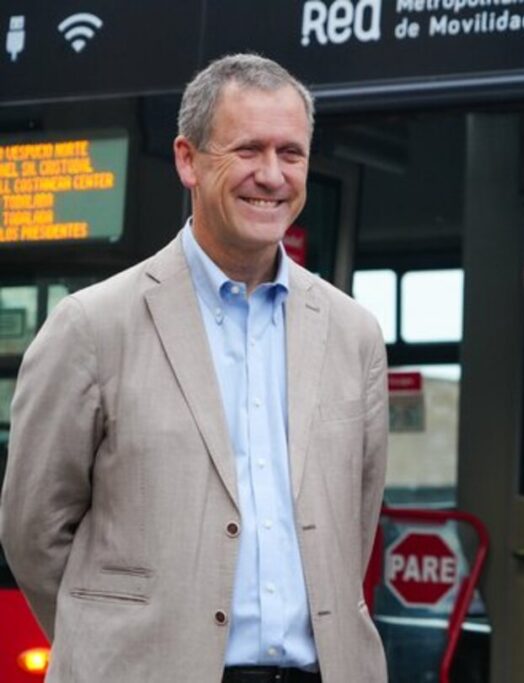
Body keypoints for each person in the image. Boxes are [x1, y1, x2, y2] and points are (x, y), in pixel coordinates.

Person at [0, 54, 388, 682]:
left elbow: (355, 527)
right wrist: (113, 641)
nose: (272, 175)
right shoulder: (92, 326)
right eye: (248, 150)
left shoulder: (355, 334)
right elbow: (32, 531)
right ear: (188, 160)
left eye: (291, 153)